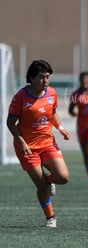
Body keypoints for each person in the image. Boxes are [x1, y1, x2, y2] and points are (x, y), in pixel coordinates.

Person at [7, 59, 70, 228]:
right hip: (27, 147)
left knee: (63, 177)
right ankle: (51, 217)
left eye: (48, 77)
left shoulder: (51, 93)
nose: (45, 81)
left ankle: (50, 181)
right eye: (42, 77)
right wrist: (21, 142)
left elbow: (52, 114)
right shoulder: (21, 97)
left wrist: (60, 128)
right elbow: (10, 123)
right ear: (32, 78)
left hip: (48, 143)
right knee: (41, 186)